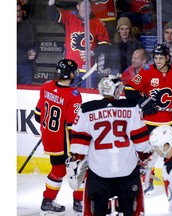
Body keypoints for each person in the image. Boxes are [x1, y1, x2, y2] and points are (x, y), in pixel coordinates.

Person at [68, 74, 153, 215]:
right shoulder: (132, 108)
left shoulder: (86, 109)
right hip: (127, 170)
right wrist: (145, 156)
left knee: (98, 211)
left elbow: (78, 147)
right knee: (129, 210)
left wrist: (76, 161)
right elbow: (141, 142)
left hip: (99, 172)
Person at [124, 43, 172, 195]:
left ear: (168, 58)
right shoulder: (147, 71)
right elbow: (129, 90)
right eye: (155, 58)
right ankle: (147, 182)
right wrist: (143, 101)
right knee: (146, 154)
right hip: (149, 122)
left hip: (169, 122)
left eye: (161, 58)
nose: (158, 61)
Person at [34, 59, 83, 215]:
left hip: (49, 140)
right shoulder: (74, 95)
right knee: (80, 170)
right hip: (65, 142)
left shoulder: (46, 86)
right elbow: (71, 127)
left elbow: (37, 115)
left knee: (58, 170)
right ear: (72, 74)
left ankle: (47, 201)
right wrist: (76, 149)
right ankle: (79, 202)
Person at [47, 0, 111, 88]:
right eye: (83, 7)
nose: (86, 10)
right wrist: (51, 2)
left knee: (88, 97)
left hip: (89, 70)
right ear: (78, 7)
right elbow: (53, 15)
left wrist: (93, 52)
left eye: (88, 7)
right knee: (69, 95)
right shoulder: (70, 17)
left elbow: (106, 45)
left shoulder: (98, 23)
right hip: (70, 69)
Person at [17, 1, 39, 84]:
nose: (18, 13)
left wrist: (35, 51)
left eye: (19, 10)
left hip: (27, 67)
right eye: (15, 11)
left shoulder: (30, 24)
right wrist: (25, 55)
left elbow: (36, 42)